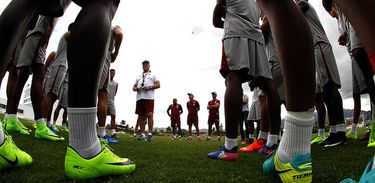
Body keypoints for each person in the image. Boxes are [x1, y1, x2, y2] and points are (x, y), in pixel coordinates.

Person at [208, 0, 281, 161]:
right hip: (256, 36)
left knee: (232, 77)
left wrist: (228, 21)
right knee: (267, 84)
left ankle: (230, 146)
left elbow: (215, 20)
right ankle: (273, 141)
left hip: (235, 32)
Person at [322, 0, 375, 144]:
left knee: (370, 83)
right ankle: (353, 129)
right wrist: (344, 36)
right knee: (356, 93)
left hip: (359, 49)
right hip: (352, 54)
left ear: (334, 6)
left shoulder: (345, 10)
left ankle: (372, 126)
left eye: (329, 11)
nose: (330, 14)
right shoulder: (340, 21)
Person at [296, 0, 347, 147]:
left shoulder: (303, 4)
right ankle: (333, 131)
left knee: (331, 87)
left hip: (320, 46)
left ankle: (341, 132)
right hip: (316, 49)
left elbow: (298, 10)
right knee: (325, 92)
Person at [40, 30, 70, 136]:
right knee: (49, 95)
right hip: (59, 67)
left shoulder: (68, 48)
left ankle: (47, 124)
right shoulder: (67, 35)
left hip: (62, 68)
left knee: (52, 99)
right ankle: (41, 125)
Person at [97, 25, 122, 144]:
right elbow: (120, 34)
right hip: (103, 56)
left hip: (89, 56)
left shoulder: (92, 21)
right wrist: (115, 53)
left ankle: (84, 130)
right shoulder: (113, 26)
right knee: (103, 93)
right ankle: (101, 133)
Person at [132, 60, 160, 142]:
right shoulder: (138, 76)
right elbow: (133, 87)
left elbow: (158, 85)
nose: (145, 66)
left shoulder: (153, 74)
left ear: (149, 66)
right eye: (143, 64)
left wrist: (149, 87)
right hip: (140, 97)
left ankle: (150, 134)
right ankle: (142, 134)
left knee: (150, 114)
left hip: (149, 97)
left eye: (146, 64)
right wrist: (136, 88)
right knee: (141, 116)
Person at [107, 69, 119, 139]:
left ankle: (113, 133)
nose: (112, 74)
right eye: (111, 73)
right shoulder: (106, 81)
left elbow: (115, 92)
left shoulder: (116, 83)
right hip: (104, 102)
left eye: (114, 73)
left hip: (112, 102)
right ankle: (101, 132)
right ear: (109, 73)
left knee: (113, 116)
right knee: (102, 116)